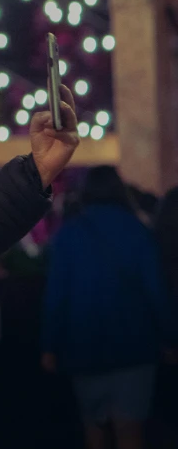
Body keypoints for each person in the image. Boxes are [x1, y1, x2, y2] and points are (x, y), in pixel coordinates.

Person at [41, 166, 178, 449]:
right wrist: (170, 338)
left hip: (84, 351)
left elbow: (56, 297)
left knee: (94, 432)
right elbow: (155, 293)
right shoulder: (139, 231)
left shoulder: (68, 236)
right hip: (135, 350)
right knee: (130, 433)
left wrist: (49, 346)